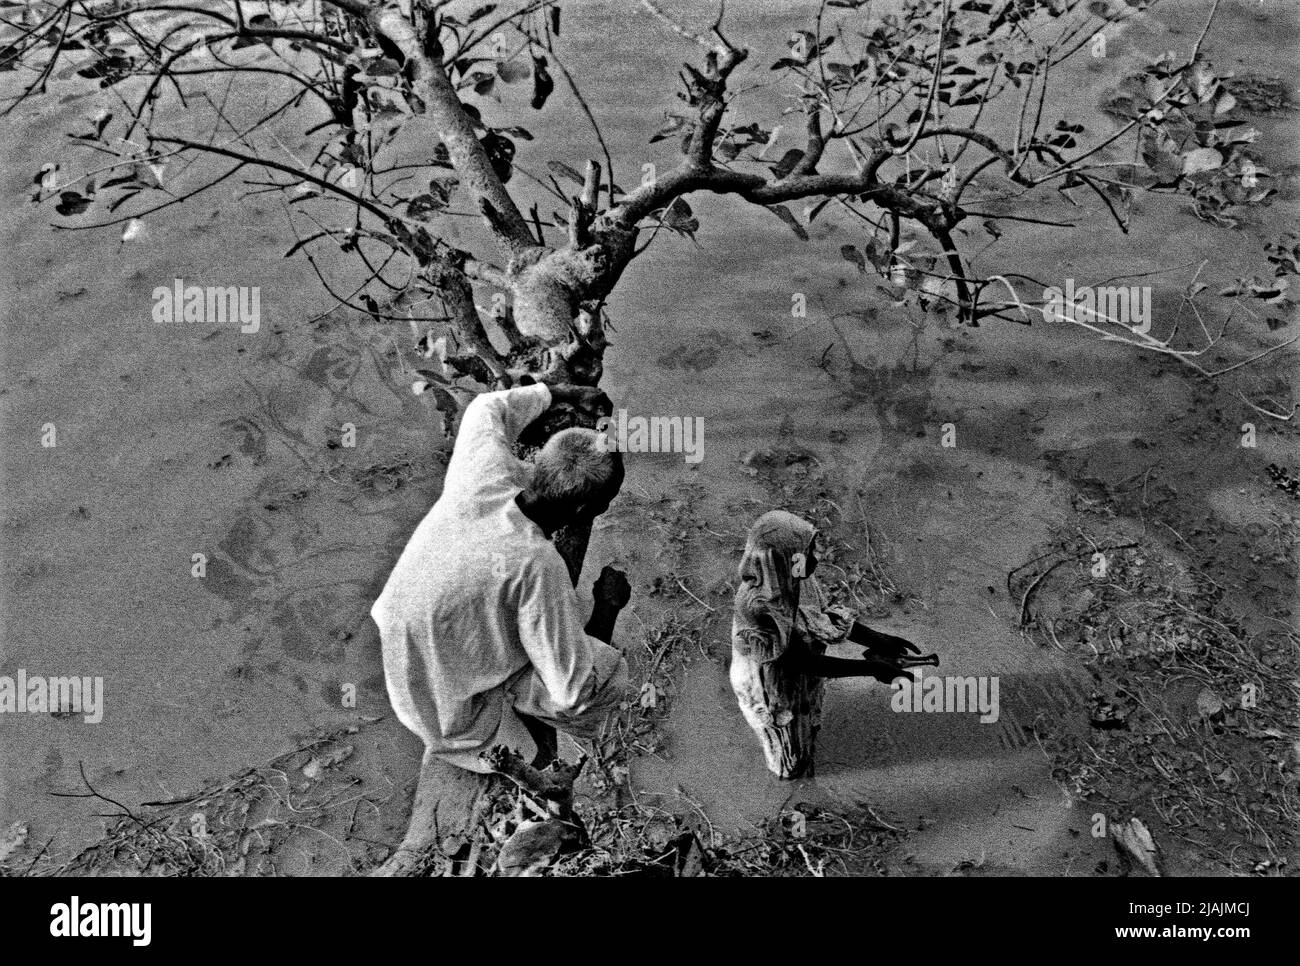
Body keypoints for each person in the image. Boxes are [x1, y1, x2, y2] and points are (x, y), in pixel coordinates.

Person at [371, 381, 632, 776]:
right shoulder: (538, 567)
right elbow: (574, 692)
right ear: (583, 507)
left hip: (402, 669)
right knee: (608, 673)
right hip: (450, 721)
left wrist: (560, 392)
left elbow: (485, 408)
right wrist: (607, 607)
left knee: (507, 623)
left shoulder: (483, 473)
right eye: (604, 502)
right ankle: (506, 739)